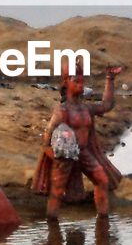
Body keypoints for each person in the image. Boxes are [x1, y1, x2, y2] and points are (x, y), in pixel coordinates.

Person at [33, 64, 124, 220]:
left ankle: (103, 219)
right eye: (77, 81)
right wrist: (57, 158)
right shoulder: (62, 111)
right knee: (57, 191)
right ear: (66, 83)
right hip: (65, 155)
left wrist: (110, 79)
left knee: (101, 179)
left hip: (84, 152)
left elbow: (106, 105)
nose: (81, 86)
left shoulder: (85, 108)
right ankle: (52, 223)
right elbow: (46, 140)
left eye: (82, 82)